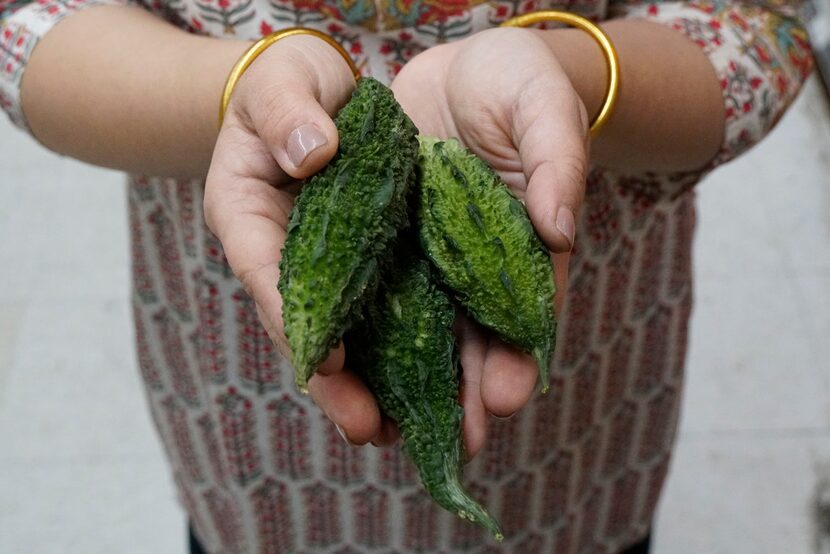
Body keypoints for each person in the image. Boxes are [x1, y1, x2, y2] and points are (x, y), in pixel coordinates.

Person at [0, 0, 813, 550]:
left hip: (576, 391)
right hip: (247, 392)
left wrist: (570, 77)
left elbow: (761, 25)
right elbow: (26, 22)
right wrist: (241, 95)